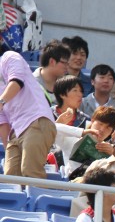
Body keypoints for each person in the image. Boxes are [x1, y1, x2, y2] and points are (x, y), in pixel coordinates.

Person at [0, 49, 56, 178]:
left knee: (30, 173)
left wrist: (1, 102)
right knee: (10, 179)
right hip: (15, 131)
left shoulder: (10, 57)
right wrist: (8, 148)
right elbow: (2, 122)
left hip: (36, 120)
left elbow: (17, 82)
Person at [33, 40, 70, 106]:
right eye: (64, 63)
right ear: (52, 61)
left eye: (68, 63)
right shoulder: (31, 83)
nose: (67, 67)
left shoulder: (67, 84)